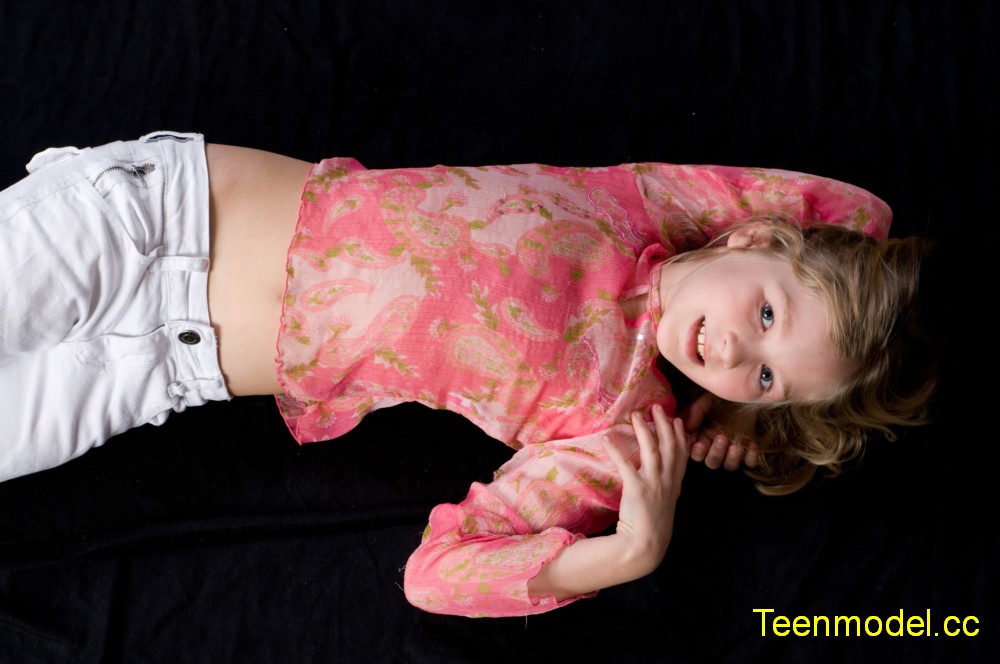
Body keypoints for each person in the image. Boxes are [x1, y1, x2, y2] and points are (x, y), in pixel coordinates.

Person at [0, 132, 935, 616]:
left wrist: (632, 551)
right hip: (148, 218)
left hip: (152, 373)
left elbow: (436, 576)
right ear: (752, 233)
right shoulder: (643, 204)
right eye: (764, 316)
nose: (732, 354)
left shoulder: (621, 435)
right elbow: (863, 213)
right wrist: (748, 411)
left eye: (765, 379)